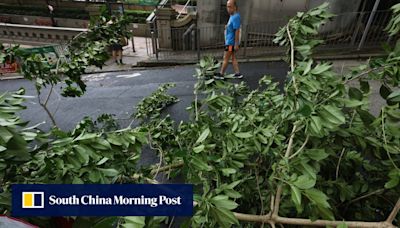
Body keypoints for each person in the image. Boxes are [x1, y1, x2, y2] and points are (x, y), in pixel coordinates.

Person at [215, 0, 243, 80]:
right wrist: (227, 27)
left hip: (231, 43)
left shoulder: (236, 17)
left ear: (235, 7)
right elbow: (232, 27)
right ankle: (238, 73)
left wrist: (236, 44)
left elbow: (237, 31)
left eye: (230, 6)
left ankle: (221, 74)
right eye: (227, 6)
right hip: (231, 41)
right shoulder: (232, 15)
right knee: (233, 57)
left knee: (226, 58)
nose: (228, 8)